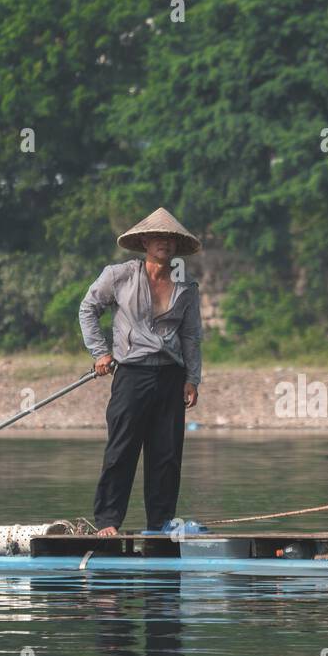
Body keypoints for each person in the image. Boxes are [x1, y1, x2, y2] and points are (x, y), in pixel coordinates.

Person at [79, 208, 203, 537]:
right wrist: (100, 352)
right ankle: (108, 521)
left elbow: (191, 336)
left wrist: (192, 377)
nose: (165, 243)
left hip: (171, 376)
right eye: (159, 237)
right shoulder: (119, 275)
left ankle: (160, 524)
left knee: (166, 454)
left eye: (171, 239)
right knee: (122, 448)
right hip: (131, 374)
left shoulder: (186, 287)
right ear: (145, 241)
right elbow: (88, 308)